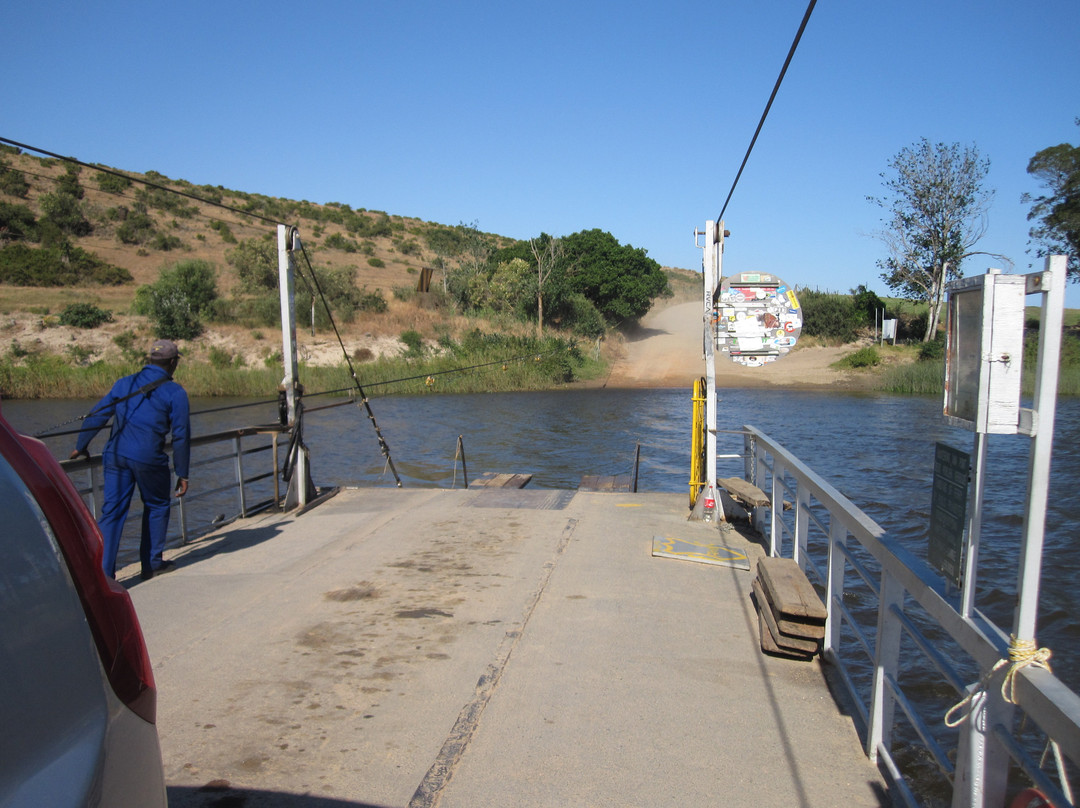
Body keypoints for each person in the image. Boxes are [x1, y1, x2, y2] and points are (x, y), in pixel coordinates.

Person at [71, 339, 191, 580]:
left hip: (115, 456)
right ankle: (151, 564)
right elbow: (181, 435)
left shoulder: (124, 383)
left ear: (149, 360)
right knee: (157, 505)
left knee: (113, 512)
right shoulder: (175, 392)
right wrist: (182, 472)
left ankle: (104, 574)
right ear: (172, 363)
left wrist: (80, 446)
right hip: (149, 458)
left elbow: (98, 415)